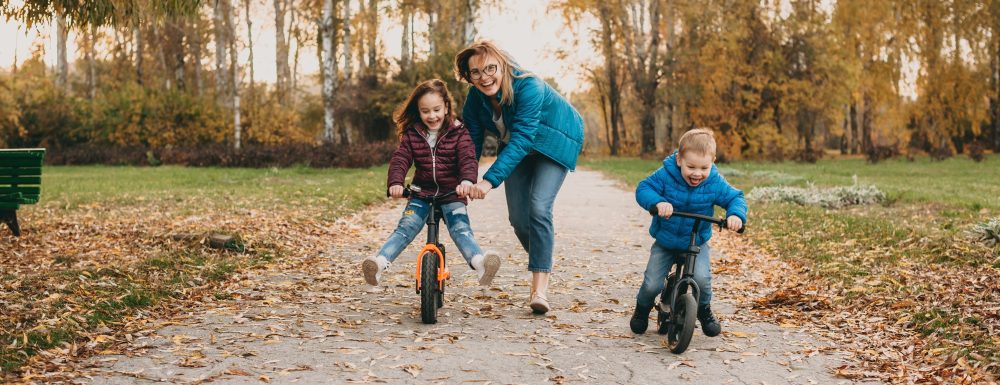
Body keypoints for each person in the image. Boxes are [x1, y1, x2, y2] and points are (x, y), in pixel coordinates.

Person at [453, 41, 584, 314]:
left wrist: (488, 181)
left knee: (539, 208)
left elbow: (523, 138)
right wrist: (465, 178)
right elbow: (471, 142)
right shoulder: (475, 99)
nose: (484, 76)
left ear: (503, 66)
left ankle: (539, 289)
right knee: (519, 220)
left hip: (553, 142)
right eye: (475, 72)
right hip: (517, 146)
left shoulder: (529, 86)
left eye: (490, 68)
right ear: (468, 76)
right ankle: (542, 259)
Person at [361, 79, 501, 288]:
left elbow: (467, 158)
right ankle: (379, 265)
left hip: (452, 193)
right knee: (405, 228)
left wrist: (466, 181)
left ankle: (480, 265)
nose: (432, 115)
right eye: (425, 111)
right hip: (421, 193)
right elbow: (401, 159)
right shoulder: (413, 134)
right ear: (418, 111)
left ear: (446, 106)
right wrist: (396, 182)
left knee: (461, 229)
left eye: (436, 109)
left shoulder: (459, 132)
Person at [631, 128, 747, 337]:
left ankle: (703, 310)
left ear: (712, 162)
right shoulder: (666, 175)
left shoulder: (714, 181)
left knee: (702, 280)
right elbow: (643, 188)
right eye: (691, 166)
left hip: (696, 242)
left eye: (704, 167)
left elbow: (735, 197)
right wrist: (658, 202)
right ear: (679, 160)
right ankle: (642, 308)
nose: (697, 173)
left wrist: (735, 215)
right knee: (652, 284)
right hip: (666, 242)